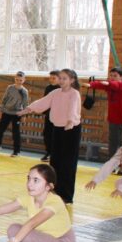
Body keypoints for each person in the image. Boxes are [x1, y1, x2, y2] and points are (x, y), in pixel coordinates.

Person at [18, 68, 82, 204]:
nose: (62, 81)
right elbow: (43, 102)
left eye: (65, 78)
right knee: (56, 161)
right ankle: (54, 192)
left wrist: (70, 121)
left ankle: (66, 196)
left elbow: (73, 108)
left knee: (68, 163)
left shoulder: (74, 94)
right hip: (58, 129)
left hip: (71, 130)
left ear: (72, 80)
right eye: (60, 78)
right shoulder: (55, 92)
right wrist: (28, 109)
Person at [81, 66, 122, 158]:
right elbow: (101, 84)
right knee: (113, 141)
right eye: (111, 75)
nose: (112, 77)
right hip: (113, 119)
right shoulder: (109, 85)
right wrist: (91, 85)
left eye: (115, 76)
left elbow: (117, 86)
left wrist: (108, 83)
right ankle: (111, 161)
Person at [0, 71, 29, 157]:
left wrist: (24, 115)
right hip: (6, 111)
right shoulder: (10, 88)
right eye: (17, 79)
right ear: (14, 79)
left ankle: (16, 151)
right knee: (0, 129)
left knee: (16, 132)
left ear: (24, 80)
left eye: (20, 80)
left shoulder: (24, 91)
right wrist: (0, 111)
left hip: (17, 113)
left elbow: (25, 104)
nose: (18, 81)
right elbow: (4, 99)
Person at [41, 70, 60, 161]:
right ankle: (49, 152)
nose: (51, 80)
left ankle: (56, 154)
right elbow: (45, 101)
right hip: (49, 115)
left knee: (56, 135)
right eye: (50, 78)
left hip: (58, 117)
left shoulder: (62, 88)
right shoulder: (48, 88)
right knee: (46, 134)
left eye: (54, 78)